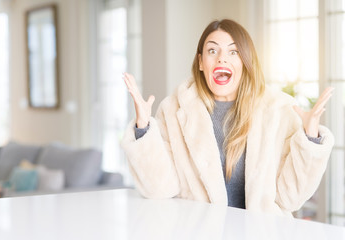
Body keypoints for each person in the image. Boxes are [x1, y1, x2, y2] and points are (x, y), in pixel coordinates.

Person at [121, 19, 334, 217]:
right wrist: (143, 127)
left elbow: (290, 199)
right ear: (201, 62)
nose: (222, 58)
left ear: (245, 61)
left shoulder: (279, 111)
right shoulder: (172, 111)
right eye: (212, 50)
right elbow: (159, 189)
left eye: (233, 52)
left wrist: (310, 137)